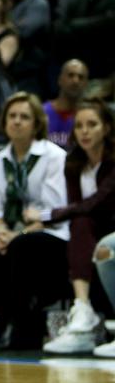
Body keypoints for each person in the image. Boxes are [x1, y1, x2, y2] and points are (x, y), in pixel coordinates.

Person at [0, 92, 70, 350]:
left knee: (22, 246)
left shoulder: (54, 156)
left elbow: (54, 211)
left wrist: (16, 235)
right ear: (4, 121)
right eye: (12, 116)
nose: (17, 122)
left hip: (51, 233)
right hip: (11, 233)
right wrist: (2, 232)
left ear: (36, 123)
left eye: (24, 117)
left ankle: (20, 327)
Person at [27, 100, 115, 354]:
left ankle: (88, 315)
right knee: (79, 224)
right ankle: (83, 311)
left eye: (92, 125)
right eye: (79, 126)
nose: (84, 131)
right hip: (90, 229)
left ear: (107, 128)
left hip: (110, 227)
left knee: (84, 223)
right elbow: (79, 208)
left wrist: (46, 215)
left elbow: (96, 203)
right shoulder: (74, 163)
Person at [45, 59, 89, 147]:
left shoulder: (89, 117)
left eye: (81, 77)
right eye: (70, 75)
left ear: (86, 84)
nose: (75, 81)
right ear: (60, 79)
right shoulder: (42, 112)